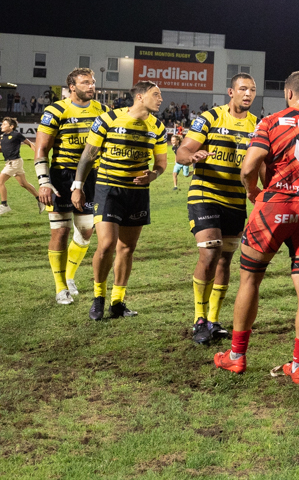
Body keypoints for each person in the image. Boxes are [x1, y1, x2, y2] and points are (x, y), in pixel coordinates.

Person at [213, 71, 299, 382]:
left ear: (288, 93)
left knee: (250, 280)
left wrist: (252, 190)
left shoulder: (271, 122)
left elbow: (248, 167)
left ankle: (236, 356)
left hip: (274, 205)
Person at [73, 80, 168, 320]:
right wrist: (78, 186)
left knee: (127, 248)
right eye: (156, 94)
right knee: (106, 244)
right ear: (140, 97)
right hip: (108, 189)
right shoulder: (109, 119)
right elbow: (88, 156)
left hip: (137, 193)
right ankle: (98, 297)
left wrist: (154, 174)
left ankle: (117, 301)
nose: (160, 99)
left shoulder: (158, 127)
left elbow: (161, 163)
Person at [175, 74, 258, 344]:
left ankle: (213, 319)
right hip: (206, 193)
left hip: (235, 199)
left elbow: (261, 164)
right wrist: (192, 156)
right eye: (243, 89)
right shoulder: (210, 118)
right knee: (210, 252)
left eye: (252, 90)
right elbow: (182, 151)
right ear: (230, 92)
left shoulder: (258, 125)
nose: (248, 94)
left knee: (224, 259)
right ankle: (199, 319)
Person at [34, 69, 108, 304]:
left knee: (86, 231)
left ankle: (69, 276)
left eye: (92, 82)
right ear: (72, 87)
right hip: (62, 177)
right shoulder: (56, 110)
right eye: (85, 82)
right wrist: (44, 182)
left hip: (91, 177)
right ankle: (60, 287)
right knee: (61, 231)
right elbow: (41, 149)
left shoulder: (102, 110)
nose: (91, 86)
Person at [0, 117, 38, 214]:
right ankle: (40, 199)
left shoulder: (16, 134)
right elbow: (2, 148)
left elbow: (29, 143)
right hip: (12, 162)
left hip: (14, 162)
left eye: (4, 124)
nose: (2, 126)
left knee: (0, 182)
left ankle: (4, 205)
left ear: (11, 126)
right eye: (2, 124)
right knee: (23, 184)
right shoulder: (2, 136)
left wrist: (38, 155)